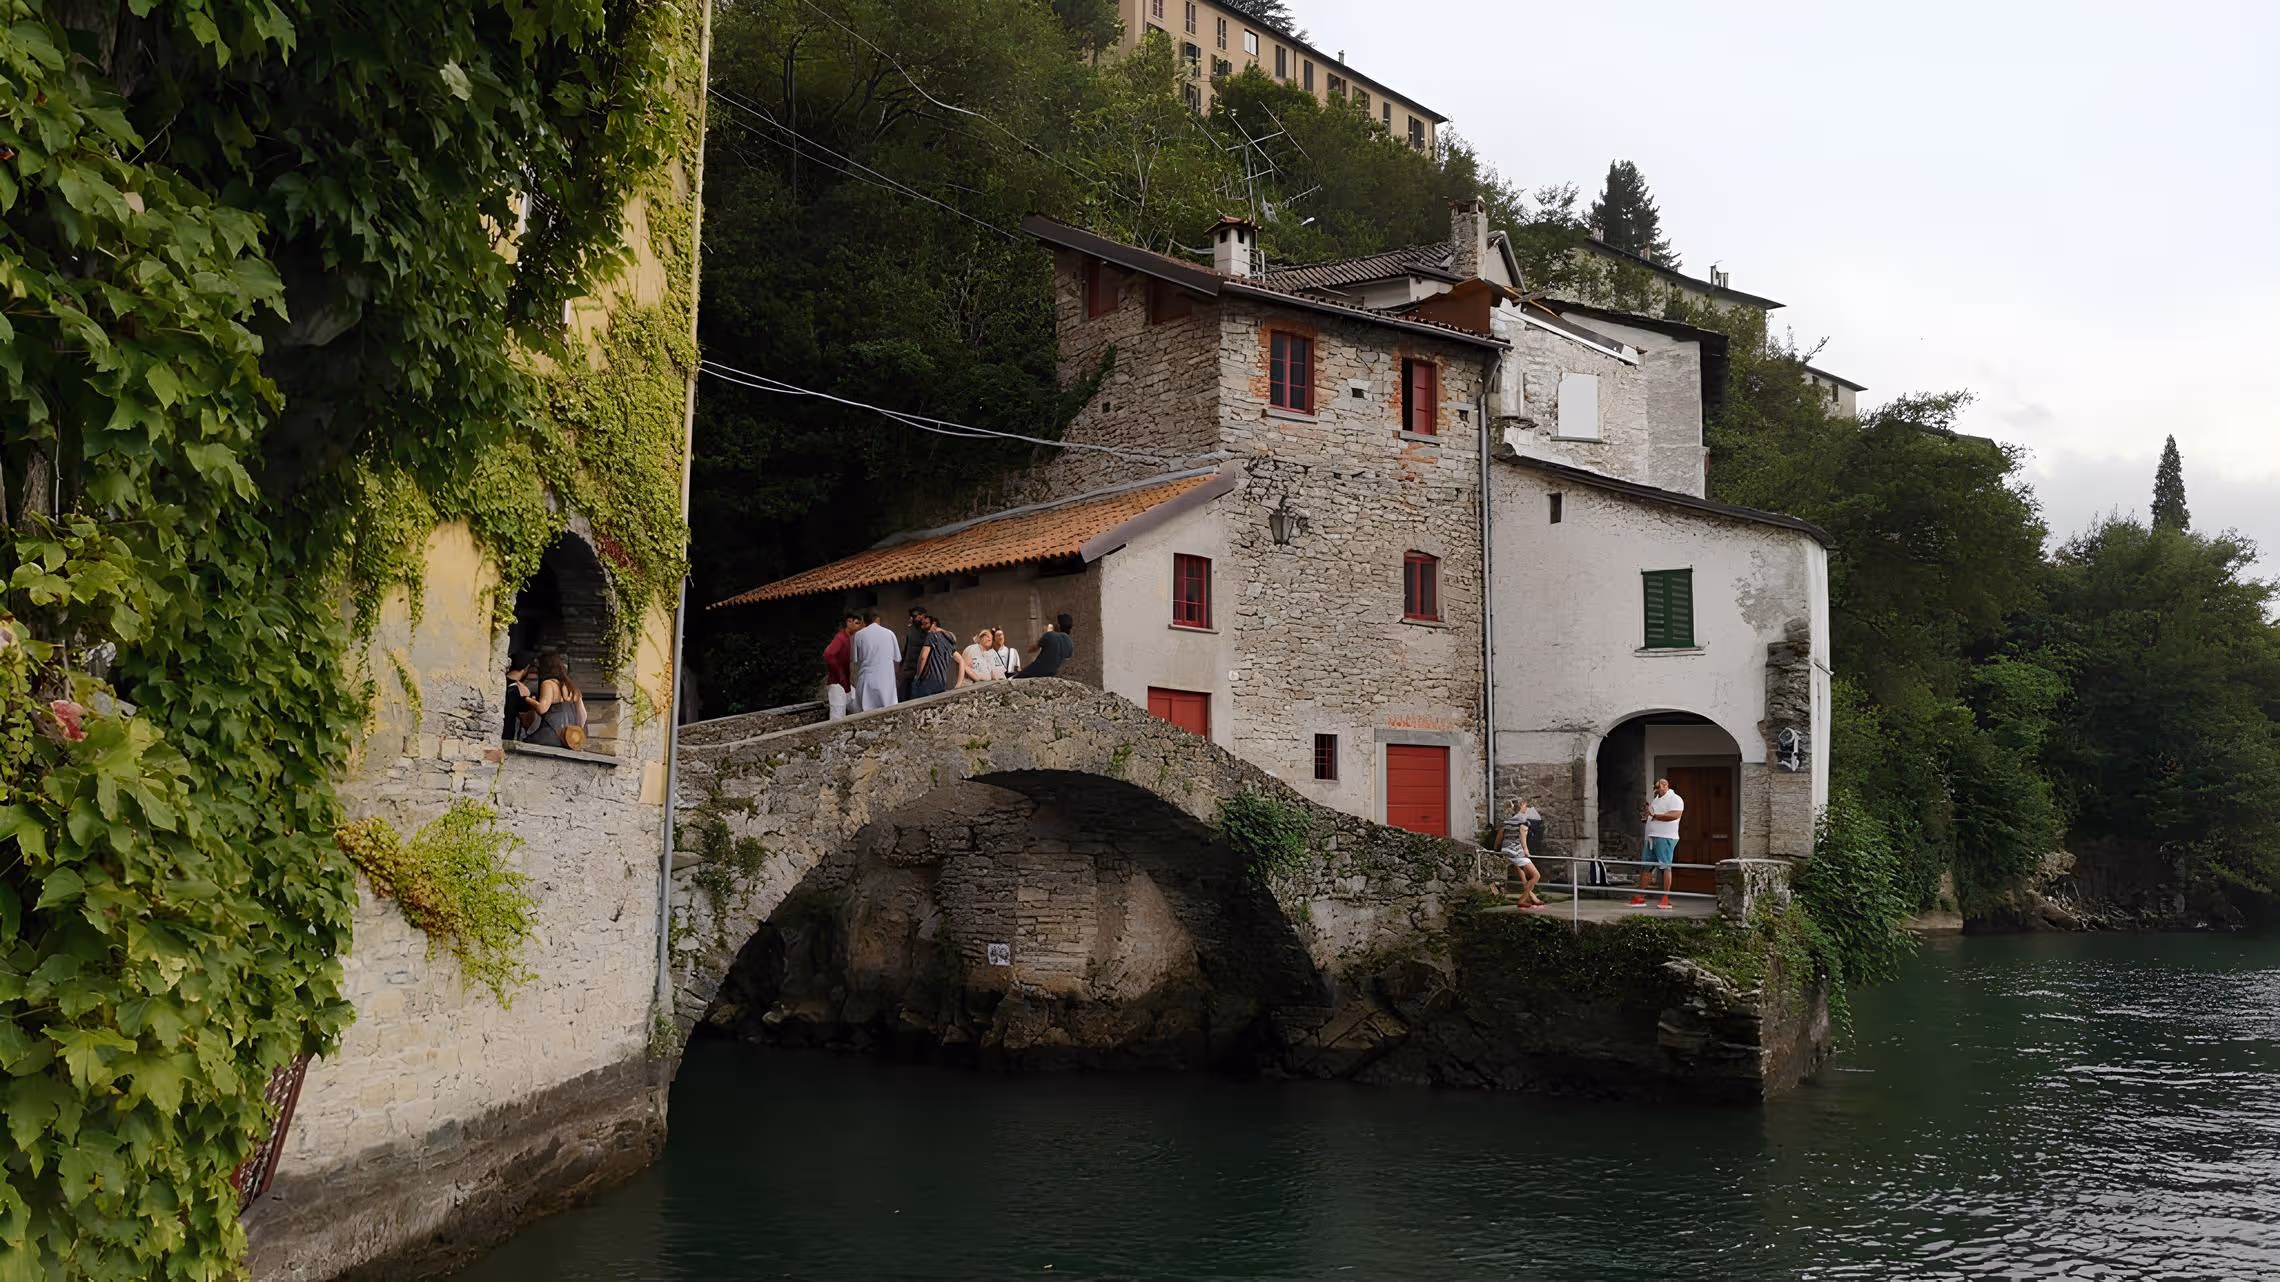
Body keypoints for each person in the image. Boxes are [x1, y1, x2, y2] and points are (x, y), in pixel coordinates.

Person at [1633, 778, 1685, 911]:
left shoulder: (1675, 799)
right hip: (1651, 838)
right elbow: (1653, 815)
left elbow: (1675, 815)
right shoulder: (1656, 800)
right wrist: (1647, 817)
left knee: (1665, 867)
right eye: (1655, 788)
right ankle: (1641, 896)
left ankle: (1665, 898)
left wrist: (1655, 816)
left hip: (1665, 837)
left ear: (1665, 785)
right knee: (1646, 867)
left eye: (1658, 787)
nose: (1657, 789)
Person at [526, 653, 589, 750]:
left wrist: (527, 699)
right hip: (567, 739)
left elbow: (542, 708)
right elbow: (583, 716)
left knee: (524, 742)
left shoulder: (548, 684)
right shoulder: (571, 687)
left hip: (551, 735)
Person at [1494, 799, 1545, 908]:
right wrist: (1526, 850)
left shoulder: (1508, 822)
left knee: (1522, 872)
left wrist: (1496, 849)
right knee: (1536, 876)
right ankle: (1522, 899)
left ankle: (1532, 897)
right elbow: (1523, 837)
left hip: (1506, 851)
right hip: (1516, 852)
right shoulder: (1523, 822)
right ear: (1523, 808)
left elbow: (1499, 836)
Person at [852, 610, 902, 711]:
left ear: (864, 622)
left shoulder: (859, 635)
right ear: (877, 620)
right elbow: (898, 658)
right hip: (887, 680)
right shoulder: (889, 633)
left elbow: (856, 659)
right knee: (889, 709)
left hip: (867, 679)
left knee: (866, 709)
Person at [908, 611, 960, 698]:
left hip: (928, 681)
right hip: (941, 682)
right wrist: (958, 684)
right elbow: (961, 660)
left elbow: (923, 657)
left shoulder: (931, 636)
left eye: (926, 624)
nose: (923, 627)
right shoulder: (947, 640)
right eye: (922, 625)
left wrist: (918, 676)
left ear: (934, 624)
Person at [822, 613, 860, 719]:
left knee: (858, 707)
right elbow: (828, 654)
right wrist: (840, 675)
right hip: (837, 684)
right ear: (848, 622)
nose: (858, 627)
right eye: (856, 623)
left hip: (844, 683)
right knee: (837, 717)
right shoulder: (841, 637)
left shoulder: (846, 638)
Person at [1017, 613, 1076, 678]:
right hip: (1053, 674)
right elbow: (1065, 659)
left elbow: (1032, 649)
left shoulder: (1050, 635)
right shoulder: (1070, 642)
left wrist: (1044, 633)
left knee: (1014, 679)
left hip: (1037, 671)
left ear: (1058, 626)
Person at [503, 653, 538, 741]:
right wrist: (530, 698)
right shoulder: (520, 690)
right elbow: (527, 722)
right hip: (507, 737)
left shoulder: (499, 681)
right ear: (526, 668)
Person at [898, 607, 928, 700]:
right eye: (915, 616)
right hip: (910, 668)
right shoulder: (911, 630)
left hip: (919, 668)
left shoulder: (924, 629)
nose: (920, 618)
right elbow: (905, 649)